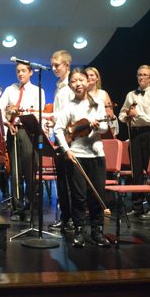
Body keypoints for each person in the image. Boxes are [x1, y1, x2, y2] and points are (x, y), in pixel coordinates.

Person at [54, 68, 110, 248]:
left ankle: (97, 231)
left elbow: (104, 129)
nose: (77, 84)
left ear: (87, 82)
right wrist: (66, 150)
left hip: (96, 154)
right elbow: (59, 129)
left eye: (81, 80)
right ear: (70, 85)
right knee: (78, 196)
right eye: (73, 81)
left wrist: (95, 126)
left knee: (97, 194)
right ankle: (79, 231)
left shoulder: (98, 103)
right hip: (76, 155)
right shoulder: (68, 106)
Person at [0, 62, 45, 221]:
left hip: (29, 132)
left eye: (23, 71)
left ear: (31, 72)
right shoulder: (10, 89)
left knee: (30, 171)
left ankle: (31, 205)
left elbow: (39, 113)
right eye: (18, 71)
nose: (20, 74)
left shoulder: (38, 91)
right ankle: (18, 209)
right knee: (15, 172)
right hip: (13, 131)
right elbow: (0, 107)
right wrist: (7, 123)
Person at [118, 65, 150, 217]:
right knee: (135, 171)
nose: (141, 77)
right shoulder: (131, 94)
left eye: (145, 75)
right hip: (135, 134)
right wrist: (127, 116)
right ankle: (137, 207)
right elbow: (121, 113)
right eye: (139, 75)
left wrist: (138, 115)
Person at [48, 50, 75, 232]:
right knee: (62, 181)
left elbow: (68, 114)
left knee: (70, 182)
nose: (54, 68)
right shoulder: (59, 87)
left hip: (71, 138)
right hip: (60, 137)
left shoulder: (71, 87)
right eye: (52, 65)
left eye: (57, 65)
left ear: (67, 65)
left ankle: (72, 218)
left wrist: (50, 116)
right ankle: (65, 217)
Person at [85, 67, 119, 137]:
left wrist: (112, 131)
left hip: (102, 129)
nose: (89, 77)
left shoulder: (103, 93)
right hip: (86, 130)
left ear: (97, 78)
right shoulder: (81, 94)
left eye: (92, 75)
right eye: (87, 75)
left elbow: (110, 115)